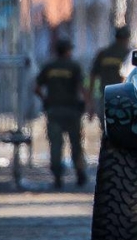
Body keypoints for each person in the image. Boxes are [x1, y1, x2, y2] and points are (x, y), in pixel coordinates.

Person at [35, 38, 88, 189]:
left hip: (54, 110)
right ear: (67, 51)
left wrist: (46, 99)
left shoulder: (49, 67)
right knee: (76, 143)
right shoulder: (74, 66)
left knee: (56, 145)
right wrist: (88, 105)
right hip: (72, 110)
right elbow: (82, 88)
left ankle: (57, 177)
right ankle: (79, 174)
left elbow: (37, 88)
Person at [87, 26, 131, 129]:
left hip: (105, 95)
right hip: (123, 96)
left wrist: (90, 99)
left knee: (106, 129)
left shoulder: (103, 53)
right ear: (127, 38)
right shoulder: (128, 54)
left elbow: (93, 75)